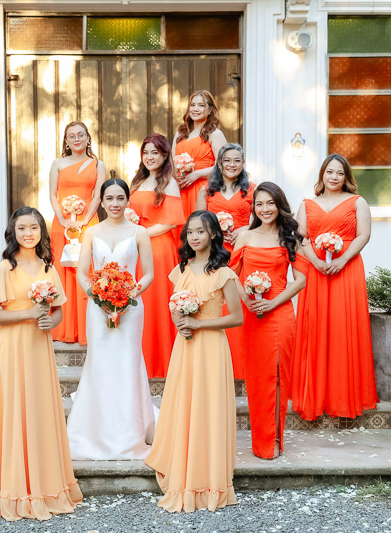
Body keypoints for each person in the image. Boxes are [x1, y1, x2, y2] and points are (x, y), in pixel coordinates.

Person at [0, 207, 82, 521]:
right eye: (22, 228)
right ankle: (14, 488)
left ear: (41, 231)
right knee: (14, 410)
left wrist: (52, 321)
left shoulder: (48, 267)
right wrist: (27, 314)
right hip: (12, 348)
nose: (28, 233)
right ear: (13, 231)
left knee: (39, 410)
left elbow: (58, 310)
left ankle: (46, 484)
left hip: (39, 347)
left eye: (34, 227)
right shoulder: (4, 269)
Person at [145, 211, 243, 513]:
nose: (194, 237)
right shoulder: (181, 269)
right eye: (190, 232)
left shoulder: (224, 273)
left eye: (200, 231)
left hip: (211, 347)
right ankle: (182, 466)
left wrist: (199, 324)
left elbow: (237, 317)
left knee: (209, 406)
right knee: (185, 403)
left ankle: (208, 477)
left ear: (213, 234)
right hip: (185, 346)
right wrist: (180, 320)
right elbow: (175, 307)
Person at [67, 178, 156, 460]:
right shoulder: (91, 232)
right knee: (100, 362)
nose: (115, 204)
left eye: (120, 198)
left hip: (131, 307)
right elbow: (82, 273)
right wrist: (99, 297)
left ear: (128, 200)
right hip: (98, 308)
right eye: (109, 198)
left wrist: (128, 295)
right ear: (102, 202)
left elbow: (149, 273)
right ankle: (96, 429)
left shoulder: (140, 232)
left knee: (128, 361)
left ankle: (131, 430)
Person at [291, 154, 379, 420]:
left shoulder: (357, 202)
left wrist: (342, 259)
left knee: (344, 326)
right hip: (316, 270)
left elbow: (363, 235)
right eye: (329, 172)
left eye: (340, 173)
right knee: (316, 326)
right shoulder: (307, 204)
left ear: (346, 177)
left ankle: (344, 395)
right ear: (322, 174)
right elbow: (301, 238)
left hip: (347, 270)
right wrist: (316, 262)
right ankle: (315, 395)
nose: (334, 177)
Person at [230, 183, 308, 459]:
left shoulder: (290, 238)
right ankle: (260, 439)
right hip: (252, 316)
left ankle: (275, 439)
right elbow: (232, 275)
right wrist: (247, 301)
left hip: (280, 314)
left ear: (279, 205)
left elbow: (300, 280)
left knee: (277, 377)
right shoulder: (245, 237)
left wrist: (273, 302)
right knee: (257, 379)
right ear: (254, 208)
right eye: (259, 204)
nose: (265, 209)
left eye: (270, 203)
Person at [195, 142, 254, 379]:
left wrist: (243, 230)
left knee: (239, 303)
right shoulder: (206, 190)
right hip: (215, 252)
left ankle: (242, 367)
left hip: (243, 251)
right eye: (227, 160)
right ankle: (215, 365)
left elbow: (262, 220)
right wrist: (215, 233)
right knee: (215, 304)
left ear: (243, 163)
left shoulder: (252, 190)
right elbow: (197, 223)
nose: (232, 164)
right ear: (219, 163)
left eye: (237, 160)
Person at [129, 134, 186, 378]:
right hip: (136, 247)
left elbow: (171, 222)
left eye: (155, 152)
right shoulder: (138, 181)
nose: (149, 157)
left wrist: (139, 233)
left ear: (164, 155)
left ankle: (160, 361)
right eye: (146, 152)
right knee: (138, 302)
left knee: (155, 302)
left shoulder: (169, 183)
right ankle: (138, 359)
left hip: (158, 248)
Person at [48, 121, 105, 345]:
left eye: (81, 135)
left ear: (88, 138)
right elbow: (53, 194)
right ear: (66, 141)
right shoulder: (58, 163)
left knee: (85, 269)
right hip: (61, 224)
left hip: (88, 223)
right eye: (71, 136)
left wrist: (84, 220)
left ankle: (86, 329)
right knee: (63, 269)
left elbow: (98, 196)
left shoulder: (97, 164)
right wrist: (62, 218)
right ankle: (64, 328)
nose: (77, 139)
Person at [172, 90, 227, 224]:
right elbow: (172, 161)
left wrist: (197, 174)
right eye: (192, 105)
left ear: (210, 110)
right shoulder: (181, 132)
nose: (195, 109)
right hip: (180, 188)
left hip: (202, 189)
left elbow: (224, 165)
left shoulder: (215, 134)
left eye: (201, 105)